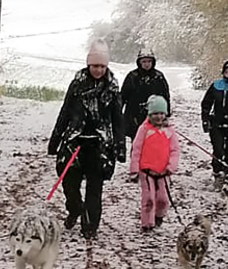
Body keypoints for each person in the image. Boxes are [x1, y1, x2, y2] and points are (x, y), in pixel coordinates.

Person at [47, 40, 125, 240]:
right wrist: (55, 139)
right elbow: (65, 112)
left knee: (94, 187)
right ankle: (75, 208)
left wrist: (120, 145)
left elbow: (117, 118)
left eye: (102, 66)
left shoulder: (113, 88)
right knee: (69, 183)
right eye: (95, 66)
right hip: (75, 141)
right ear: (88, 65)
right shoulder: (77, 85)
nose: (98, 70)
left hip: (100, 145)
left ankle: (90, 225)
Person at [128, 95, 181, 231]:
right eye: (155, 113)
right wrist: (134, 169)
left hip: (164, 172)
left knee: (163, 199)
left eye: (161, 113)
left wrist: (171, 167)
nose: (158, 117)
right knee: (149, 199)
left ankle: (159, 216)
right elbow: (136, 149)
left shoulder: (169, 131)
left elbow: (175, 150)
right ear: (150, 114)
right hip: (146, 171)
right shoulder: (144, 129)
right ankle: (146, 224)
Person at [119, 45, 171, 162]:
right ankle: (136, 166)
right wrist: (118, 112)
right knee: (137, 142)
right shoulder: (132, 77)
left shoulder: (159, 77)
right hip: (134, 115)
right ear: (139, 62)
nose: (146, 64)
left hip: (154, 115)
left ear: (153, 62)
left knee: (154, 141)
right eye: (144, 61)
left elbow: (165, 95)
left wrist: (166, 113)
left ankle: (151, 164)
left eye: (149, 61)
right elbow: (123, 96)